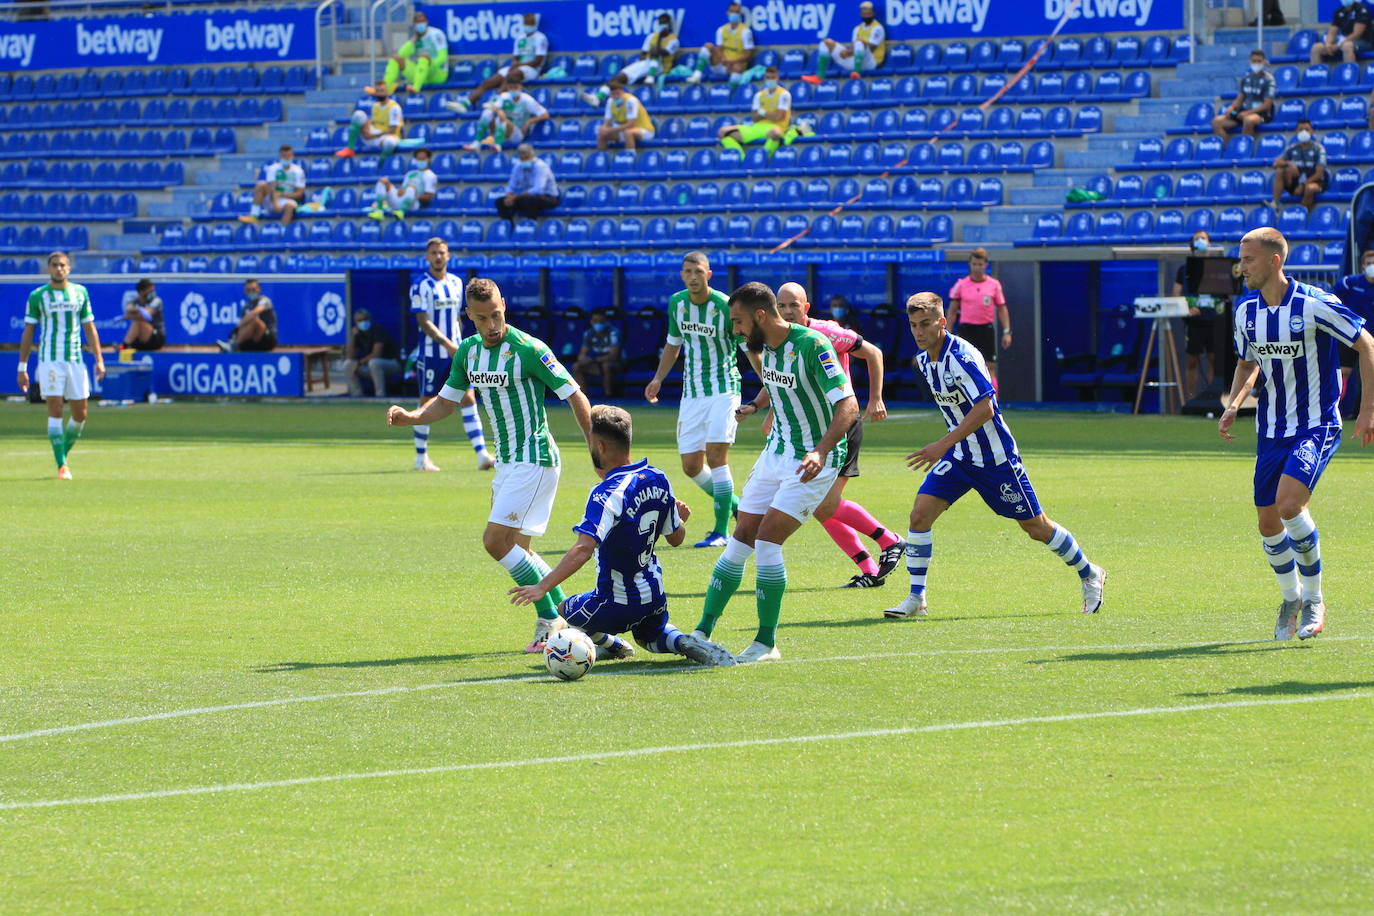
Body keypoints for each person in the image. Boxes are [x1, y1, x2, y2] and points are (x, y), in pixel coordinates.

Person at [387, 277, 594, 654]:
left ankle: (549, 619)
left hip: (535, 456)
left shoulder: (529, 348)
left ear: (504, 306)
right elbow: (447, 401)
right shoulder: (467, 352)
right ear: (469, 316)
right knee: (521, 550)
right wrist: (412, 417)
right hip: (508, 463)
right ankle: (579, 620)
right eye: (483, 318)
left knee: (495, 541)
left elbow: (575, 395)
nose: (493, 325)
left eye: (497, 315)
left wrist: (594, 448)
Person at [884, 292, 1106, 620]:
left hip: (995, 460)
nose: (919, 331)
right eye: (914, 325)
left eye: (926, 324)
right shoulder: (924, 361)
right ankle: (917, 597)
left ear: (942, 323)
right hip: (961, 457)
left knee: (1035, 527)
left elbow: (986, 407)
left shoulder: (961, 356)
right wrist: (951, 446)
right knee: (920, 515)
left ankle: (1090, 573)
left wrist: (942, 444)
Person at [1219, 227, 1374, 641]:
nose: (1241, 267)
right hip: (1270, 428)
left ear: (1274, 261)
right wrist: (1234, 404)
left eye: (1248, 259)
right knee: (1268, 522)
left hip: (1316, 423)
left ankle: (1315, 598)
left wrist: (1368, 410)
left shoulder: (1314, 304)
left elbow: (1367, 344)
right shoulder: (1245, 311)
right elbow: (1247, 362)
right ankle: (1290, 599)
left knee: (1290, 505)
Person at [691, 282, 858, 662]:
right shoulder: (761, 346)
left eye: (738, 321)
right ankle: (701, 630)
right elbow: (777, 384)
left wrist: (821, 449)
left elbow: (848, 406)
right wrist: (756, 406)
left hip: (814, 460)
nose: (735, 329)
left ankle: (766, 642)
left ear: (760, 316)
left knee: (767, 541)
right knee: (741, 538)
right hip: (775, 454)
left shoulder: (813, 345)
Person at [508, 405, 738, 667]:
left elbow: (583, 549)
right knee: (650, 637)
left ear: (601, 447)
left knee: (565, 610)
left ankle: (612, 645)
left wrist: (542, 587)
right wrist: (680, 520)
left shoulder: (605, 494)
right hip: (654, 596)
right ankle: (680, 641)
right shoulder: (658, 478)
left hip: (615, 601)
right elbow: (676, 538)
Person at [756, 282, 904, 589]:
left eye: (793, 305)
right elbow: (784, 382)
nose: (787, 312)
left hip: (840, 427)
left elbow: (873, 352)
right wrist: (770, 412)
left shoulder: (827, 332)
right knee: (821, 507)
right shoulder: (782, 340)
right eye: (781, 306)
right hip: (810, 431)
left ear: (806, 307)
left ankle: (890, 541)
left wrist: (876, 398)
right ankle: (870, 570)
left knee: (824, 504)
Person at [644, 251, 745, 548]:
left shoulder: (725, 306)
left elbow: (748, 347)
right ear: (682, 275)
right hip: (692, 393)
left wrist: (769, 387)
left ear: (709, 275)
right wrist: (658, 378)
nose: (692, 277)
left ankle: (721, 531)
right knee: (690, 465)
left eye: (698, 271)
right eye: (687, 272)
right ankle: (736, 505)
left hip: (724, 389)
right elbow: (673, 346)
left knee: (716, 458)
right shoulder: (677, 303)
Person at [17, 251, 104, 480]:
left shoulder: (80, 293)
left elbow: (89, 328)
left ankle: (61, 453)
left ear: (69, 268)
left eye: (63, 265)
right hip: (49, 360)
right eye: (54, 265)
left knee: (80, 414)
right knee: (55, 408)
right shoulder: (38, 296)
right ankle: (62, 465)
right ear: (49, 268)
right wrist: (22, 367)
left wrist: (99, 359)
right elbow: (29, 331)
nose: (59, 269)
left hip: (75, 359)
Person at [409, 237, 493, 472]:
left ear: (448, 256)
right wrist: (446, 343)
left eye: (442, 252)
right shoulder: (420, 285)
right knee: (427, 402)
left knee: (468, 398)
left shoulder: (457, 283)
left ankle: (481, 454)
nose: (438, 256)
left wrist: (460, 343)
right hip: (432, 354)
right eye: (434, 252)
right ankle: (420, 458)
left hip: (457, 352)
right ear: (427, 257)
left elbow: (457, 317)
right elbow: (423, 321)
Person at [445, 12, 548, 114]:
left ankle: (496, 101)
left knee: (512, 75)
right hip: (518, 67)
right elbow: (516, 57)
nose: (528, 26)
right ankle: (465, 103)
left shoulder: (540, 38)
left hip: (532, 70)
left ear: (535, 24)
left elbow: (538, 61)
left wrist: (518, 66)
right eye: (526, 23)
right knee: (489, 81)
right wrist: (514, 65)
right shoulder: (520, 38)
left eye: (530, 23)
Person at [582, 12, 683, 107]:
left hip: (662, 67)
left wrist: (660, 38)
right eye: (661, 23)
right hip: (647, 64)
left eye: (665, 22)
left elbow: (660, 53)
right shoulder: (651, 37)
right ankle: (598, 97)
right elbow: (643, 54)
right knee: (619, 77)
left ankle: (650, 77)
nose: (662, 25)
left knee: (655, 55)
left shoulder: (674, 40)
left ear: (669, 24)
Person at [946, 248, 1012, 392]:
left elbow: (1002, 308)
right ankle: (969, 403)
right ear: (970, 265)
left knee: (990, 367)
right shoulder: (961, 284)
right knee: (964, 367)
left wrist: (1007, 331)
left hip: (986, 329)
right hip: (967, 330)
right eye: (974, 264)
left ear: (986, 265)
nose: (977, 268)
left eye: (980, 264)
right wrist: (948, 333)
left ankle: (993, 403)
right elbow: (952, 311)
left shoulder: (994, 285)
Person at [718, 65, 813, 157]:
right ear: (764, 78)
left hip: (775, 127)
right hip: (756, 127)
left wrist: (762, 112)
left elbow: (778, 117)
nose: (770, 80)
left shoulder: (784, 94)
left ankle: (765, 156)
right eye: (768, 77)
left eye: (773, 77)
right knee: (723, 132)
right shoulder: (759, 95)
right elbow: (754, 118)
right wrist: (768, 114)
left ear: (777, 78)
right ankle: (741, 157)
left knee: (776, 134)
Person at [1171, 229, 1218, 401]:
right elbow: (1176, 295)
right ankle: (1190, 400)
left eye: (1203, 238)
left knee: (1214, 360)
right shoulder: (1183, 269)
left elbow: (1226, 293)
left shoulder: (1217, 266)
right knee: (1191, 360)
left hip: (1214, 320)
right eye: (1196, 238)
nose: (1200, 241)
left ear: (1209, 243)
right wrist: (1187, 308)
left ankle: (1214, 399)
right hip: (1194, 323)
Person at [803, 0, 886, 84]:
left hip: (871, 62)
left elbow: (872, 48)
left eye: (868, 13)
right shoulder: (857, 29)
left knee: (859, 42)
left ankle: (857, 73)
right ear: (861, 14)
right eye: (864, 13)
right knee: (826, 43)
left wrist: (849, 52)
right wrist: (846, 52)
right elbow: (854, 47)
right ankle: (820, 77)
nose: (866, 15)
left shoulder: (878, 28)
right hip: (856, 60)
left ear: (873, 13)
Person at [1333, 247, 1374, 412]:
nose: (1372, 266)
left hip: (1372, 338)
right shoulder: (1349, 283)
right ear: (1363, 266)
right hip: (1351, 334)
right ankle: (1338, 408)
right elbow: (1334, 302)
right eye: (1369, 263)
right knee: (1344, 372)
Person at [467, 73, 549, 151]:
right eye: (511, 87)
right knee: (488, 113)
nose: (513, 90)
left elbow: (545, 114)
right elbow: (494, 106)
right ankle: (477, 142)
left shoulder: (527, 100)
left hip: (517, 134)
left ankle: (497, 145)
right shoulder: (504, 96)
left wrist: (529, 121)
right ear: (507, 87)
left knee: (502, 119)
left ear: (521, 87)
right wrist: (499, 111)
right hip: (501, 130)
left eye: (515, 87)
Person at [687, 2, 761, 87]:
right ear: (727, 13)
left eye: (736, 12)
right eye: (731, 11)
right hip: (722, 63)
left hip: (734, 66)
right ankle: (696, 76)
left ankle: (730, 93)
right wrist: (723, 59)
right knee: (708, 46)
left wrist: (732, 62)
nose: (733, 14)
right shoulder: (721, 30)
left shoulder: (745, 31)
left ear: (740, 14)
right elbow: (719, 49)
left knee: (738, 68)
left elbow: (749, 54)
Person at [376, 11, 448, 95]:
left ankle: (416, 88)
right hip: (420, 74)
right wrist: (413, 40)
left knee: (424, 58)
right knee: (395, 59)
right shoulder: (415, 38)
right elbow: (401, 54)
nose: (421, 24)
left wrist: (429, 63)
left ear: (427, 22)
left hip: (437, 73)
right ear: (414, 24)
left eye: (423, 21)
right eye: (418, 22)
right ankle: (384, 89)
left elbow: (443, 57)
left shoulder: (436, 34)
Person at [1211, 49, 1276, 139]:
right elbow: (1240, 98)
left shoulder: (1269, 80)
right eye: (1254, 61)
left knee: (1248, 120)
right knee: (1217, 121)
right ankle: (1230, 149)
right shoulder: (1246, 79)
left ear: (1264, 62)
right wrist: (1232, 107)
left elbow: (1267, 105)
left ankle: (1244, 149)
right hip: (1244, 112)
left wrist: (1247, 113)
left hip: (1263, 116)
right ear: (1250, 61)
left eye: (1259, 61)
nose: (1256, 63)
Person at [239, 144, 306, 226]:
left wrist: (282, 195)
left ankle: (282, 230)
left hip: (288, 199)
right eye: (284, 156)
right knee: (261, 185)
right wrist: (275, 202)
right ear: (280, 156)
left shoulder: (298, 171)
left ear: (292, 156)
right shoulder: (273, 168)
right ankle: (254, 215)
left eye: (288, 156)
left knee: (290, 206)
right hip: (272, 198)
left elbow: (299, 193)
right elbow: (272, 187)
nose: (286, 158)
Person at [337, 80, 405, 159]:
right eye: (377, 91)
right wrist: (367, 129)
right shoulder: (375, 106)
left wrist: (372, 135)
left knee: (390, 143)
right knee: (358, 114)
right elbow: (374, 121)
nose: (380, 93)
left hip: (387, 136)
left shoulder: (394, 107)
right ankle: (350, 149)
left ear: (387, 91)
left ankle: (382, 163)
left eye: (382, 91)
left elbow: (393, 130)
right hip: (374, 135)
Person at [366, 146, 437, 221]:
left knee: (411, 187)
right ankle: (379, 211)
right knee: (383, 181)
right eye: (418, 159)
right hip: (402, 200)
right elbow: (403, 189)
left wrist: (414, 194)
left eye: (423, 159)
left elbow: (429, 197)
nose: (420, 161)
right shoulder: (410, 173)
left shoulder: (430, 176)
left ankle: (401, 212)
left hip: (414, 204)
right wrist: (401, 191)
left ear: (429, 159)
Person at [1272, 119, 1327, 212]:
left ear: (1312, 131)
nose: (1304, 132)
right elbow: (1276, 163)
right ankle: (1275, 204)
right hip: (1295, 181)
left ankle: (1302, 214)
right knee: (1280, 170)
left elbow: (1319, 174)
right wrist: (1289, 164)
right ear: (1296, 131)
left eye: (1307, 129)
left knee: (1310, 189)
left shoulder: (1319, 149)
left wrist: (1303, 185)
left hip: (1313, 182)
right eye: (1301, 129)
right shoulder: (1292, 148)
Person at [343, 308, 401, 397]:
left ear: (370, 319)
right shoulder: (358, 334)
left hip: (392, 364)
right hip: (370, 367)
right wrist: (353, 337)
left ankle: (380, 396)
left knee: (374, 362)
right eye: (359, 320)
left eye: (365, 319)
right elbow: (350, 356)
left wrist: (359, 363)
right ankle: (357, 396)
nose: (363, 322)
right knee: (348, 364)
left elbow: (376, 354)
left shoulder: (378, 331)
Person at [496, 143, 559, 223]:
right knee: (500, 201)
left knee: (530, 200)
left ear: (532, 156)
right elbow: (511, 184)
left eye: (526, 158)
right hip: (526, 197)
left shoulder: (541, 166)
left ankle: (531, 224)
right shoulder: (518, 166)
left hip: (548, 197)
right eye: (522, 159)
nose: (524, 161)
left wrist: (515, 197)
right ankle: (510, 226)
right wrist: (509, 196)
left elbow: (538, 189)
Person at [572, 309, 623, 397]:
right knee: (577, 366)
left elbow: (613, 356)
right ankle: (583, 397)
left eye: (601, 321)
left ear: (606, 321)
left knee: (606, 365)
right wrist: (583, 359)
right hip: (596, 363)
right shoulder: (589, 333)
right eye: (595, 321)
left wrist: (593, 360)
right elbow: (582, 354)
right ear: (591, 322)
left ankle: (609, 396)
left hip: (616, 364)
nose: (598, 323)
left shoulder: (614, 333)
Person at [217, 278, 276, 352]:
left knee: (254, 321)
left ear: (259, 289)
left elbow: (255, 312)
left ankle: (233, 346)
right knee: (243, 329)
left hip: (267, 338)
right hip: (252, 339)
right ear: (245, 291)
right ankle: (231, 346)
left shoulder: (265, 300)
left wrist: (239, 325)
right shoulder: (246, 307)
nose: (251, 292)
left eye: (253, 289)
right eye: (248, 290)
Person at [597, 77, 655, 151]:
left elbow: (630, 124)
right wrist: (604, 129)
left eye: (618, 94)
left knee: (628, 133)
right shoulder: (610, 102)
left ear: (622, 92)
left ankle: (630, 157)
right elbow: (607, 122)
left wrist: (611, 130)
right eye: (613, 94)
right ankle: (601, 154)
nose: (616, 96)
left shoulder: (631, 101)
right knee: (602, 133)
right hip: (623, 130)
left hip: (644, 130)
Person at [120, 277, 164, 351]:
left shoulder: (156, 301)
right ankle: (126, 346)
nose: (152, 293)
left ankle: (124, 346)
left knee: (138, 322)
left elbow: (147, 315)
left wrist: (135, 312)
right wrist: (137, 310)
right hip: (140, 337)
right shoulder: (135, 301)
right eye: (150, 290)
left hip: (156, 337)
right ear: (141, 291)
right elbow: (128, 309)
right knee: (137, 322)